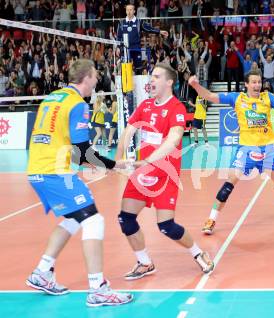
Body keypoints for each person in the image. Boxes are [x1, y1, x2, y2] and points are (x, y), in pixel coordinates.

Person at [26, 59, 133, 307]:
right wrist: (114, 165)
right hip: (54, 171)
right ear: (86, 78)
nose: (97, 80)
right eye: (95, 76)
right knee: (93, 219)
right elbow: (82, 152)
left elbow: (71, 149)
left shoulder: (53, 97)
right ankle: (98, 288)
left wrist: (96, 165)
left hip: (37, 168)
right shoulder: (78, 104)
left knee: (74, 218)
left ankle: (42, 272)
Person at [115, 63, 214, 280]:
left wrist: (149, 159)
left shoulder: (177, 108)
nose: (151, 80)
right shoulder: (146, 106)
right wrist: (119, 156)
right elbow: (129, 130)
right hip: (142, 174)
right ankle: (144, 262)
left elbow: (174, 139)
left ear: (169, 82)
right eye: (151, 77)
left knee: (166, 226)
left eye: (156, 77)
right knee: (125, 218)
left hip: (164, 174)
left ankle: (198, 253)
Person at [188, 69, 274, 235]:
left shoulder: (268, 97)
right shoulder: (237, 98)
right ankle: (211, 219)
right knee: (230, 182)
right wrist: (196, 85)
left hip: (267, 149)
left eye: (259, 82)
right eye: (253, 82)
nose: (257, 85)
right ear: (246, 84)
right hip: (246, 149)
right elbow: (210, 96)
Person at [117, 4, 168, 70]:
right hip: (125, 50)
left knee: (138, 69)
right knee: (126, 70)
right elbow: (118, 36)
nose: (129, 11)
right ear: (126, 11)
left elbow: (149, 28)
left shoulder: (139, 22)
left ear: (134, 11)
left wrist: (160, 31)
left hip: (136, 49)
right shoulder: (121, 23)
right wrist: (118, 47)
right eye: (127, 10)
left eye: (131, 10)